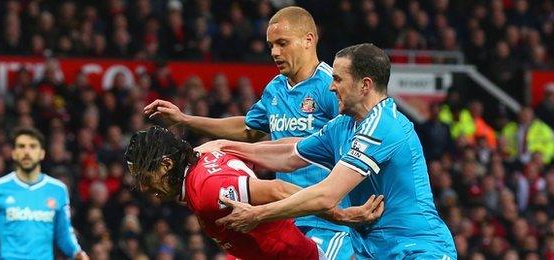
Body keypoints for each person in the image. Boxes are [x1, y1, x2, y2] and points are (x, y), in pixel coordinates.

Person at [207, 43, 458, 259]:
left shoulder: (383, 125)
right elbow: (290, 154)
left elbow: (327, 195)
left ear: (365, 85)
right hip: (375, 252)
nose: (331, 87)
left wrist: (258, 214)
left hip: (417, 251)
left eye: (338, 79)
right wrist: (225, 147)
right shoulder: (343, 125)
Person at [144, 6, 355, 258]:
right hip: (284, 213)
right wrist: (184, 119)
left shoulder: (331, 86)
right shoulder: (275, 88)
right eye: (271, 45)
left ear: (309, 40)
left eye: (282, 43)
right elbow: (248, 130)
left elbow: (357, 147)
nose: (275, 52)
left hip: (329, 219)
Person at [123, 126, 384, 259]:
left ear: (167, 165)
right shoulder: (205, 154)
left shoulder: (205, 190)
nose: (144, 188)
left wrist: (339, 215)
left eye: (146, 178)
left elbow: (277, 189)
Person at [0, 127, 88, 260]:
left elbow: (64, 234)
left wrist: (77, 252)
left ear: (42, 153)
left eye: (32, 146)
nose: (26, 151)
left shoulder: (58, 190)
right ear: (14, 153)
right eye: (21, 146)